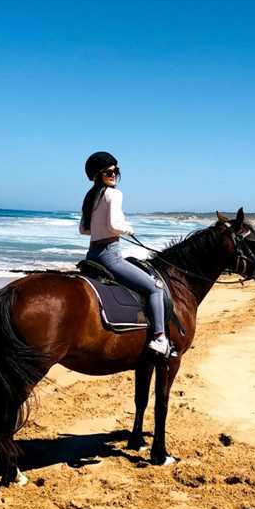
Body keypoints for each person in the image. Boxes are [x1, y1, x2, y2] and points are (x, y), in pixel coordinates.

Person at [79, 151, 175, 357]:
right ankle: (159, 337)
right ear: (97, 174)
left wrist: (104, 228)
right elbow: (114, 224)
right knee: (155, 288)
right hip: (110, 256)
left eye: (116, 170)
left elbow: (84, 230)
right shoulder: (114, 194)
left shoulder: (90, 196)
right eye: (108, 171)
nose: (113, 174)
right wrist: (127, 228)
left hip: (92, 255)